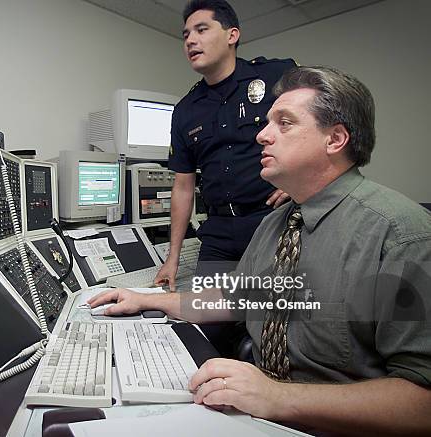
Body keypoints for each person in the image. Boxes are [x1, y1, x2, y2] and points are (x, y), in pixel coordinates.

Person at [90, 66, 431, 435]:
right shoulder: (275, 223)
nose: (262, 136)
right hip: (258, 412)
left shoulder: (398, 234)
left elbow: (422, 402)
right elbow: (237, 299)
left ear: (335, 139)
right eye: (267, 122)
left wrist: (276, 397)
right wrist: (147, 300)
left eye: (284, 123)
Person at [154, 0, 294, 292]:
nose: (191, 40)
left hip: (271, 222)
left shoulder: (275, 77)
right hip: (219, 231)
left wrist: (301, 180)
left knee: (270, 320)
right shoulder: (185, 111)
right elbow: (183, 186)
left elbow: (322, 121)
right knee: (208, 323)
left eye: (202, 29)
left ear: (232, 35)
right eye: (186, 35)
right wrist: (172, 258)